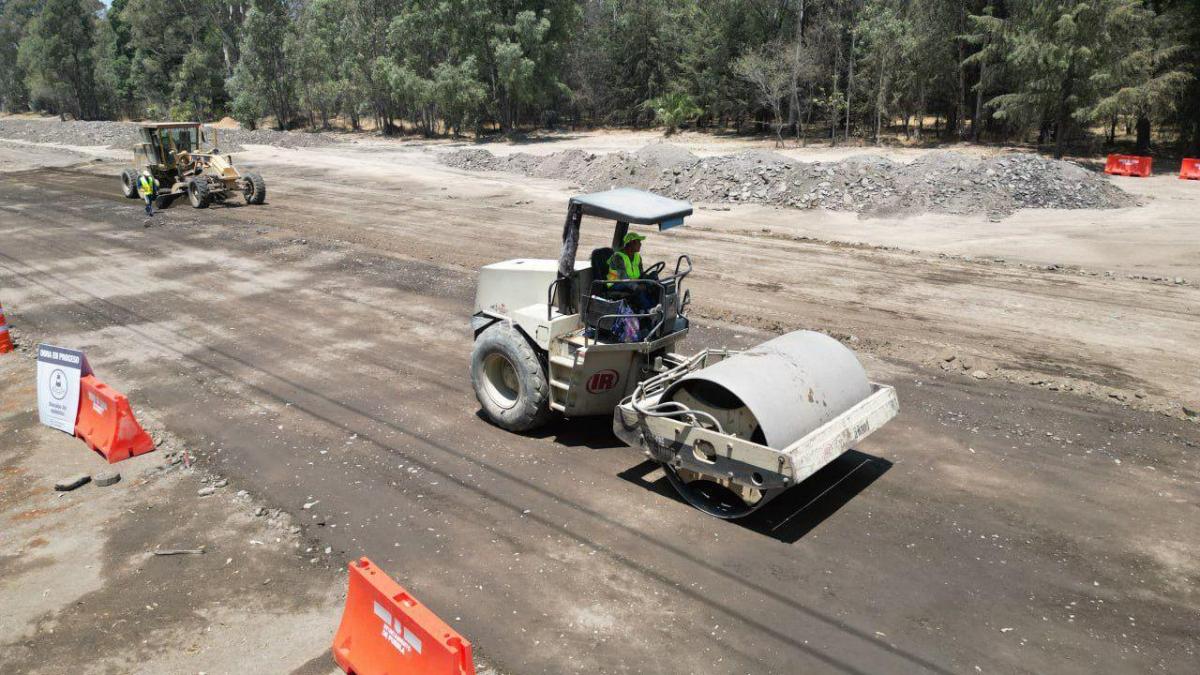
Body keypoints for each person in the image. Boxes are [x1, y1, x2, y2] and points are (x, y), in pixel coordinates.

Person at [607, 231, 659, 312]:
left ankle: (657, 306)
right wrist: (637, 286)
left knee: (654, 284)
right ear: (631, 243)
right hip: (616, 284)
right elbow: (623, 278)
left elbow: (641, 274)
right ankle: (648, 309)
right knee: (638, 290)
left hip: (631, 281)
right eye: (638, 242)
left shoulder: (637, 256)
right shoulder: (618, 257)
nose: (640, 245)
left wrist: (650, 279)